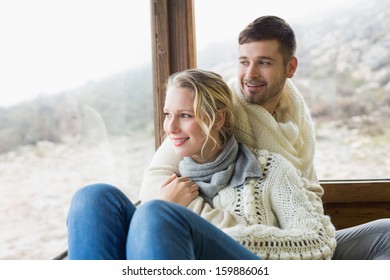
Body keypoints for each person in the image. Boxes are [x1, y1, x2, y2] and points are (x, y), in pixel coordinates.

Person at [139, 16, 390, 260]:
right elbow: (156, 179)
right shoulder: (213, 111)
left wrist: (304, 231)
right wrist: (228, 226)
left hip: (287, 238)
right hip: (235, 239)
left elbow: (310, 189)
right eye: (244, 62)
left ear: (290, 67)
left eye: (264, 63)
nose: (250, 74)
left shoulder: (296, 118)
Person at [67, 68, 336, 259]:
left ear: (218, 119)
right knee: (93, 197)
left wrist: (197, 222)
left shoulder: (271, 171)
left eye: (184, 115)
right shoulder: (170, 183)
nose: (170, 127)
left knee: (155, 213)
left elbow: (316, 243)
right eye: (167, 114)